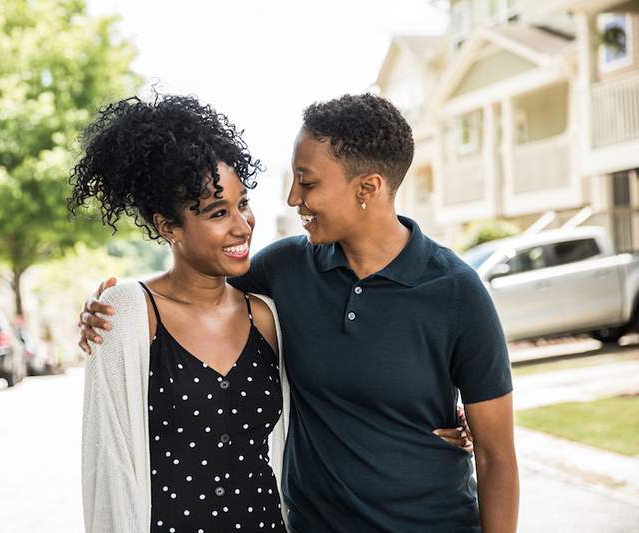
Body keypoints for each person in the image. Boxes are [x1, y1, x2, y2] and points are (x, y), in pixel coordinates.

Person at [76, 94, 497, 533]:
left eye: (243, 204)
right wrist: (105, 311)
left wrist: (448, 420)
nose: (244, 224)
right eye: (220, 211)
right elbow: (107, 462)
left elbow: (489, 449)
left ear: (367, 188)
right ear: (167, 226)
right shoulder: (140, 310)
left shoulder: (267, 315)